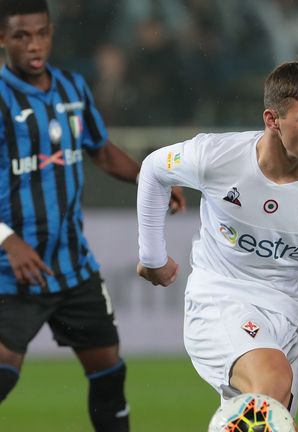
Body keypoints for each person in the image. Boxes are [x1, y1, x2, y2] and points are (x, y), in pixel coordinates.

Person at [136, 60, 298, 418]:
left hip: (290, 316)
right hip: (222, 297)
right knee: (271, 381)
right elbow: (153, 169)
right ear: (272, 119)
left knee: (271, 416)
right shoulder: (218, 156)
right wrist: (152, 257)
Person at [0, 1, 185, 431]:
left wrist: (150, 178)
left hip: (73, 267)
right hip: (14, 271)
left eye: (41, 33)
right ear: (3, 39)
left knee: (108, 371)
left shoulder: (71, 88)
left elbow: (100, 150)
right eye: (22, 36)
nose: (34, 45)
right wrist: (9, 241)